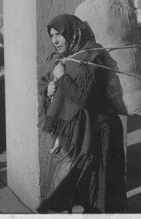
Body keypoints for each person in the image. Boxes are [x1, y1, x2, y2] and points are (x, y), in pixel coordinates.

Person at [36, 14, 127, 213]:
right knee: (83, 191)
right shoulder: (67, 57)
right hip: (83, 132)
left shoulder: (91, 57)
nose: (55, 40)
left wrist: (61, 78)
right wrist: (50, 89)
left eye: (59, 34)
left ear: (73, 33)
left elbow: (82, 97)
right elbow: (56, 87)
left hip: (103, 134)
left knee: (102, 193)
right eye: (52, 36)